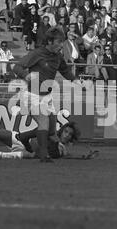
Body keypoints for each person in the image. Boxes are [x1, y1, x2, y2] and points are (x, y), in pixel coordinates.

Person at [12, 27, 79, 162]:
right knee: (43, 121)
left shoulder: (58, 57)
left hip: (47, 97)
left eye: (62, 42)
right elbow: (17, 67)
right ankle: (44, 156)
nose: (61, 45)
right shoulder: (37, 54)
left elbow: (65, 71)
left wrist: (76, 80)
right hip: (32, 96)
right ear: (49, 41)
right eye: (59, 42)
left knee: (51, 131)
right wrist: (26, 75)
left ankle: (24, 137)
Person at [0, 113, 97, 160]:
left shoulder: (62, 149)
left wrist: (84, 157)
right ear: (62, 130)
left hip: (28, 151)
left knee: (28, 155)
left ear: (71, 138)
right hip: (19, 139)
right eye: (66, 131)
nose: (66, 135)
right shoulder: (52, 135)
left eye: (69, 135)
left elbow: (68, 156)